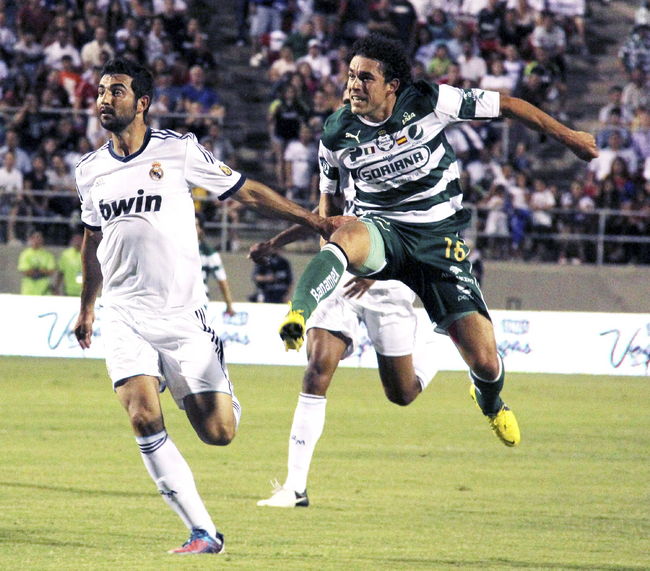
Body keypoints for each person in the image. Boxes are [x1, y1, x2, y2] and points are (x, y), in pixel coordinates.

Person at [73, 58, 346, 555]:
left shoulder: (178, 151)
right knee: (142, 415)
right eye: (101, 91)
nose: (104, 99)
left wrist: (312, 220)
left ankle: (220, 393)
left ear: (143, 102)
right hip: (124, 314)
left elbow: (246, 191)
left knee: (219, 432)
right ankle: (203, 531)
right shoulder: (89, 171)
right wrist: (87, 307)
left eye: (116, 90)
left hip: (183, 316)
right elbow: (93, 241)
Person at [279, 34, 598, 449]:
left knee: (484, 361)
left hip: (436, 238)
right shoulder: (336, 133)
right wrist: (332, 252)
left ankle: (489, 400)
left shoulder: (430, 101)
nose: (354, 85)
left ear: (392, 86)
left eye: (366, 78)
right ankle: (297, 314)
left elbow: (507, 105)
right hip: (382, 231)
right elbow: (328, 204)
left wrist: (570, 137)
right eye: (351, 76)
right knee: (348, 234)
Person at [252, 192, 439, 508]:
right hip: (341, 279)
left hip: (389, 282)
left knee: (402, 393)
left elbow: (417, 226)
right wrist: (275, 243)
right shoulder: (341, 167)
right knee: (316, 372)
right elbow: (325, 216)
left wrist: (377, 269)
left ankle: (441, 340)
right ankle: (295, 488)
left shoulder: (404, 175)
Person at [195, 215, 235, 315]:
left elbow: (222, 280)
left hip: (197, 300)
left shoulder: (209, 253)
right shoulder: (173, 249)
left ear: (201, 229)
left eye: (195, 225)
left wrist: (229, 305)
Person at [17, 230, 56, 295]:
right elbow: (25, 271)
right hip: (29, 289)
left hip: (44, 290)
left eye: (39, 238)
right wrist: (42, 270)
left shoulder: (48, 255)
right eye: (35, 237)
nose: (37, 240)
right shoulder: (25, 254)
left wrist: (34, 269)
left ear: (42, 240)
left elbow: (51, 271)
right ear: (30, 239)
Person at [54, 232, 83, 296]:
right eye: (75, 240)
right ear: (72, 241)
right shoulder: (66, 255)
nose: (77, 242)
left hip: (84, 291)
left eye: (79, 240)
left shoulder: (88, 254)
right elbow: (60, 272)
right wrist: (56, 287)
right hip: (68, 290)